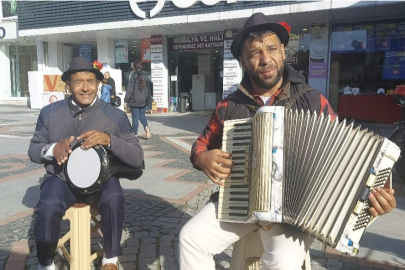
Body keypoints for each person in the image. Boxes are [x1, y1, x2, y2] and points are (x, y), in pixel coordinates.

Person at [179, 13, 397, 270]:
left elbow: (348, 160)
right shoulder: (229, 106)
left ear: (283, 51)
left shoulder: (313, 101)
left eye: (272, 48)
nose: (265, 59)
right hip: (239, 205)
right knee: (190, 239)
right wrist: (202, 158)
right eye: (254, 53)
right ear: (243, 61)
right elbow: (200, 145)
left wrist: (374, 198)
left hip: (293, 216)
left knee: (282, 262)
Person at [28, 57, 143, 270]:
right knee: (48, 205)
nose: (85, 88)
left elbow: (137, 157)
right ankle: (46, 263)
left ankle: (110, 258)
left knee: (114, 197)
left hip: (103, 180)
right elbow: (34, 150)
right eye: (78, 82)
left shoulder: (115, 116)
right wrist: (53, 149)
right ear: (68, 85)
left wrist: (109, 139)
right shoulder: (49, 113)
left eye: (90, 81)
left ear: (99, 84)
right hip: (60, 179)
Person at [124, 60, 151, 138]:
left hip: (135, 100)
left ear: (134, 68)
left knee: (135, 117)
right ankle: (146, 127)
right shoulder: (145, 76)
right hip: (144, 100)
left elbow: (130, 89)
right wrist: (148, 99)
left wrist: (126, 100)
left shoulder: (133, 76)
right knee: (142, 115)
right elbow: (149, 89)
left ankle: (135, 134)